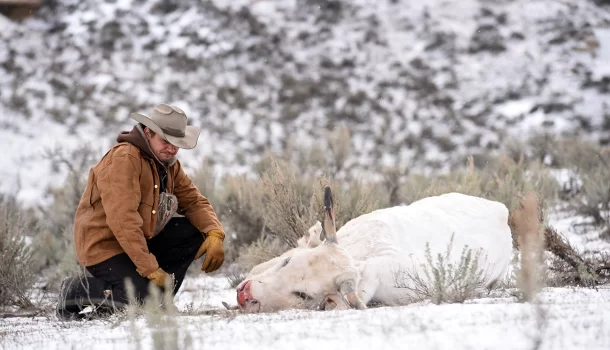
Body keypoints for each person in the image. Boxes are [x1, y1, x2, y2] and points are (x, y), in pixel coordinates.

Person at [56, 104, 225, 320]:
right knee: (139, 301)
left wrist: (215, 233)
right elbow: (123, 221)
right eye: (166, 141)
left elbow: (193, 201)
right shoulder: (124, 159)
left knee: (196, 231)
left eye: (177, 144)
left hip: (139, 242)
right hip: (104, 246)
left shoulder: (169, 164)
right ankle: (74, 290)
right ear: (148, 132)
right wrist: (150, 268)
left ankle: (158, 299)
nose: (172, 149)